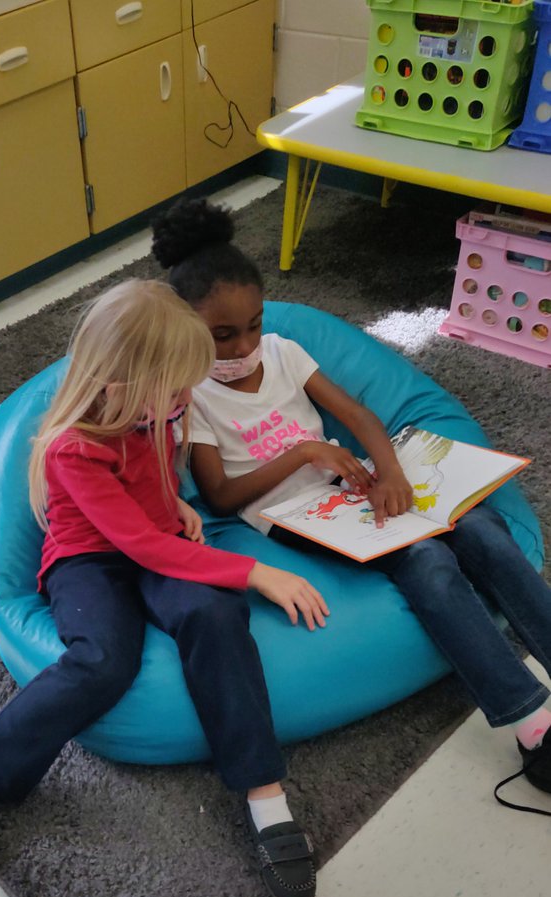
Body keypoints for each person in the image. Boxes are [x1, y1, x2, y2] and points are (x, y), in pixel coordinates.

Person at [150, 195, 551, 813]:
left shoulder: (283, 352)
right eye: (222, 335)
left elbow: (359, 416)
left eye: (253, 324)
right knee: (427, 562)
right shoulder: (194, 395)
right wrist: (303, 453)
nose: (243, 345)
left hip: (350, 487)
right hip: (294, 518)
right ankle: (530, 722)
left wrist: (390, 472)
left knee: (479, 526)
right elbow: (222, 496)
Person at [0, 278, 330, 897]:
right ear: (117, 385)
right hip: (88, 559)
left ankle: (264, 794)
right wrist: (256, 571)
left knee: (214, 613)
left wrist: (175, 502)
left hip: (155, 537)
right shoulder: (73, 448)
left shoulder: (161, 407)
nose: (185, 400)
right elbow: (139, 545)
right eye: (173, 389)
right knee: (103, 660)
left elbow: (154, 477)